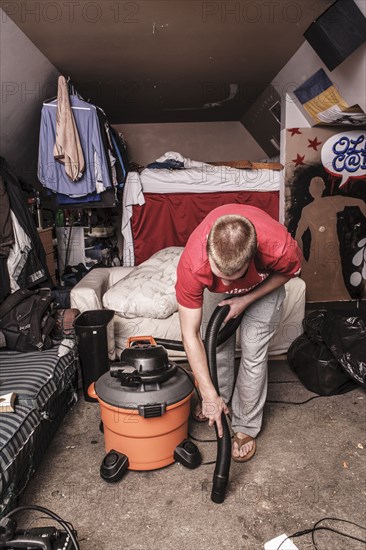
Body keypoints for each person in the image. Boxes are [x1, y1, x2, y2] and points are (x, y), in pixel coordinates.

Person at [175, 204, 302, 462]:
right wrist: (208, 392)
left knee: (253, 348)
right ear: (209, 252)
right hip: (224, 286)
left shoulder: (279, 247)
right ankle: (218, 399)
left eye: (234, 278)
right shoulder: (192, 264)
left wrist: (246, 299)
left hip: (262, 286)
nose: (227, 285)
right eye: (219, 275)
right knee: (217, 342)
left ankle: (246, 425)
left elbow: (287, 273)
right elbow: (190, 334)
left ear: (252, 256)